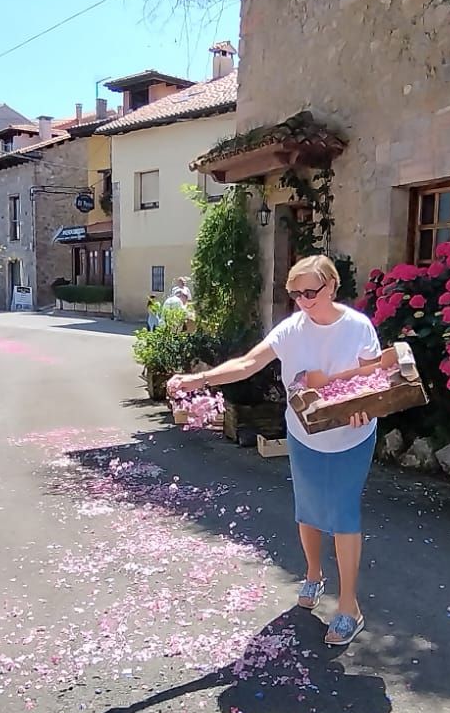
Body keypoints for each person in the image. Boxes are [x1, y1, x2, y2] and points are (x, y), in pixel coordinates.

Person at [169, 255, 395, 645]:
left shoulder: (358, 327)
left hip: (351, 438)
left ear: (332, 287)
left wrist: (365, 407)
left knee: (342, 515)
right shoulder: (291, 329)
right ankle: (312, 575)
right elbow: (247, 364)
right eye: (295, 294)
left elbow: (370, 380)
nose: (304, 301)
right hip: (304, 434)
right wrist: (198, 379)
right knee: (307, 509)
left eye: (311, 292)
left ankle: (348, 607)